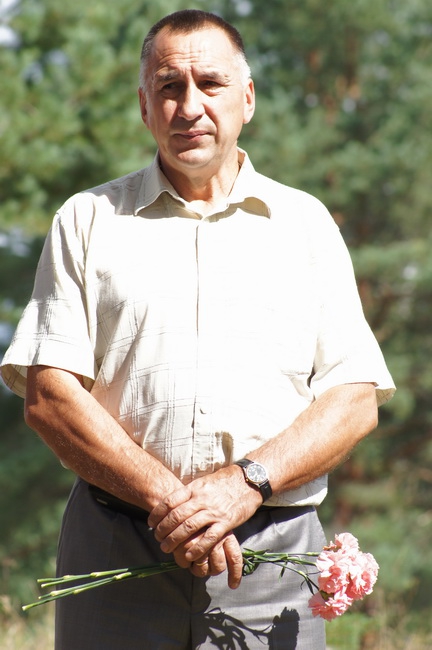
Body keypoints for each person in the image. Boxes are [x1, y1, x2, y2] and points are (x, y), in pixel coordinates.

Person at [1, 9, 395, 650]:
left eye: (210, 84)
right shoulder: (86, 219)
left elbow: (353, 398)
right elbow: (49, 396)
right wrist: (173, 503)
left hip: (273, 559)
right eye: (169, 87)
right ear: (144, 106)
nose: (189, 106)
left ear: (248, 98)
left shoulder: (306, 224)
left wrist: (244, 485)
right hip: (117, 548)